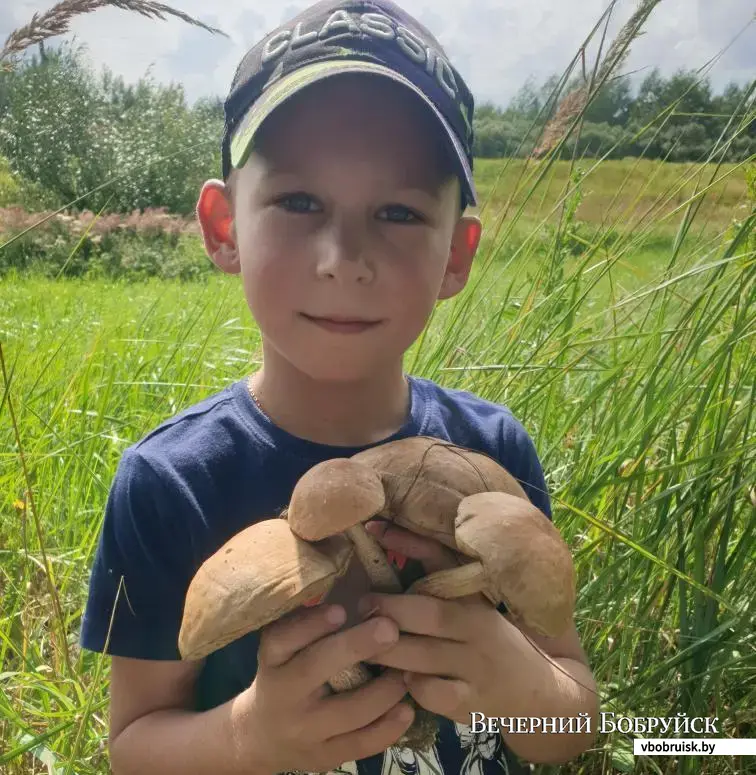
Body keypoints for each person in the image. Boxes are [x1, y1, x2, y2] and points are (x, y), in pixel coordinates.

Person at [79, 1, 599, 773]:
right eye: (299, 202)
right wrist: (249, 736)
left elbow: (571, 721)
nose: (343, 257)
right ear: (224, 227)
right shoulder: (169, 485)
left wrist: (516, 680)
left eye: (397, 211)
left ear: (457, 254)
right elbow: (134, 748)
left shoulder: (493, 454)